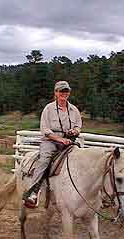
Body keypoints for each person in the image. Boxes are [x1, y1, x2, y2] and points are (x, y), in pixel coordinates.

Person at [22, 80, 82, 208]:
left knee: (82, 159)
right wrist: (59, 139)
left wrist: (74, 131)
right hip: (51, 141)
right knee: (44, 160)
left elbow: (78, 126)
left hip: (69, 141)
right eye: (61, 91)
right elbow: (45, 130)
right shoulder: (48, 109)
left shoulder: (74, 110)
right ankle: (33, 192)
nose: (64, 93)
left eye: (66, 91)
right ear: (55, 93)